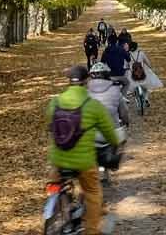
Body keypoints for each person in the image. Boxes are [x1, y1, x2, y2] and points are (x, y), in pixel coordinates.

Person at [47, 65, 119, 235]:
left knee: (54, 184)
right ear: (87, 82)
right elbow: (109, 132)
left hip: (57, 160)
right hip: (84, 162)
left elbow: (49, 124)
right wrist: (115, 144)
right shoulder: (92, 105)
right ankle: (91, 230)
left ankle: (56, 208)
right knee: (93, 193)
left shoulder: (55, 102)